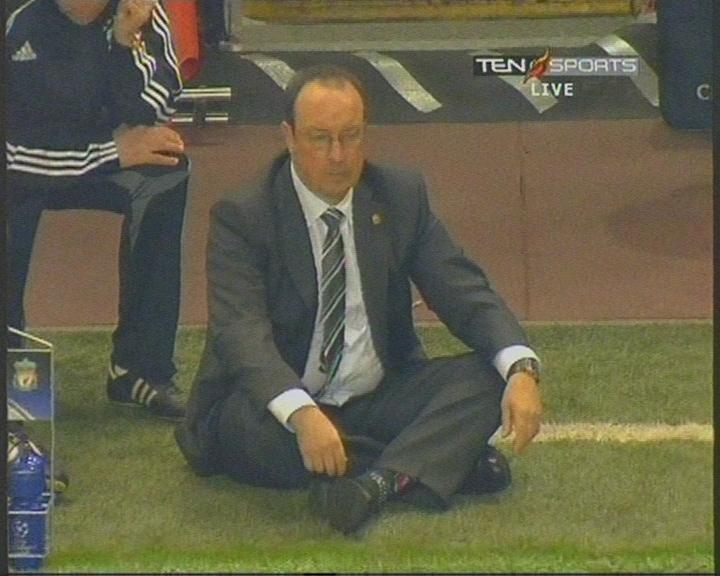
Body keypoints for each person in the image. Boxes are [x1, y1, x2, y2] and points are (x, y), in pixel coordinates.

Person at [176, 64, 543, 534]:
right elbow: (242, 334)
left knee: (488, 379)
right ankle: (432, 462)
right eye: (320, 139)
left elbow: (461, 290)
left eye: (350, 136)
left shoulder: (400, 196)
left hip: (375, 394)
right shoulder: (244, 216)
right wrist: (302, 413)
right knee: (253, 435)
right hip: (275, 405)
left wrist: (520, 368)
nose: (338, 155)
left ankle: (375, 483)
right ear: (288, 137)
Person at [6, 0, 189, 420]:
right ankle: (11, 369)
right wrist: (108, 153)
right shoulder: (15, 17)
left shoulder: (140, 10)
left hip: (98, 153)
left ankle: (138, 369)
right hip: (23, 162)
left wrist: (124, 45)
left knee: (165, 173)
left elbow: (157, 111)